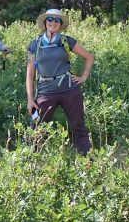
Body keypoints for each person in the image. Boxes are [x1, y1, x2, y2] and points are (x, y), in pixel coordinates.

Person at [25, 8, 95, 154]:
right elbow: (30, 75)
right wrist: (30, 100)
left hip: (70, 90)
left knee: (78, 126)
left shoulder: (66, 41)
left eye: (57, 20)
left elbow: (89, 57)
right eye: (50, 19)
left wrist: (83, 77)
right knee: (35, 124)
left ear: (61, 24)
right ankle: (32, 160)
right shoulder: (35, 44)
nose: (53, 23)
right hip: (44, 92)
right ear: (45, 22)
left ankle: (88, 160)